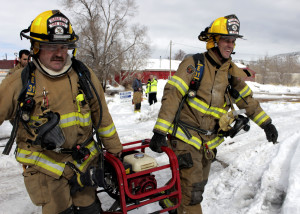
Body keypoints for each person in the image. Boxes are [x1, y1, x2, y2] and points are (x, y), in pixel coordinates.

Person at [149, 14, 278, 214]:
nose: (230, 45)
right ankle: (180, 207)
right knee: (192, 193)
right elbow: (173, 95)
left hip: (208, 142)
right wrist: (160, 131)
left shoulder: (230, 72)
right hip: (185, 138)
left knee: (197, 184)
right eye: (226, 39)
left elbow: (247, 100)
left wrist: (266, 124)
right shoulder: (194, 64)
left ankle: (170, 201)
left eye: (233, 41)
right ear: (214, 40)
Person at [0, 10, 123, 214]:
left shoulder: (84, 75)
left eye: (64, 46)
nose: (59, 52)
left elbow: (103, 118)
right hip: (45, 169)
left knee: (90, 211)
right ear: (36, 47)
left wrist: (115, 150)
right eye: (50, 46)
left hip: (82, 165)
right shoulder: (19, 82)